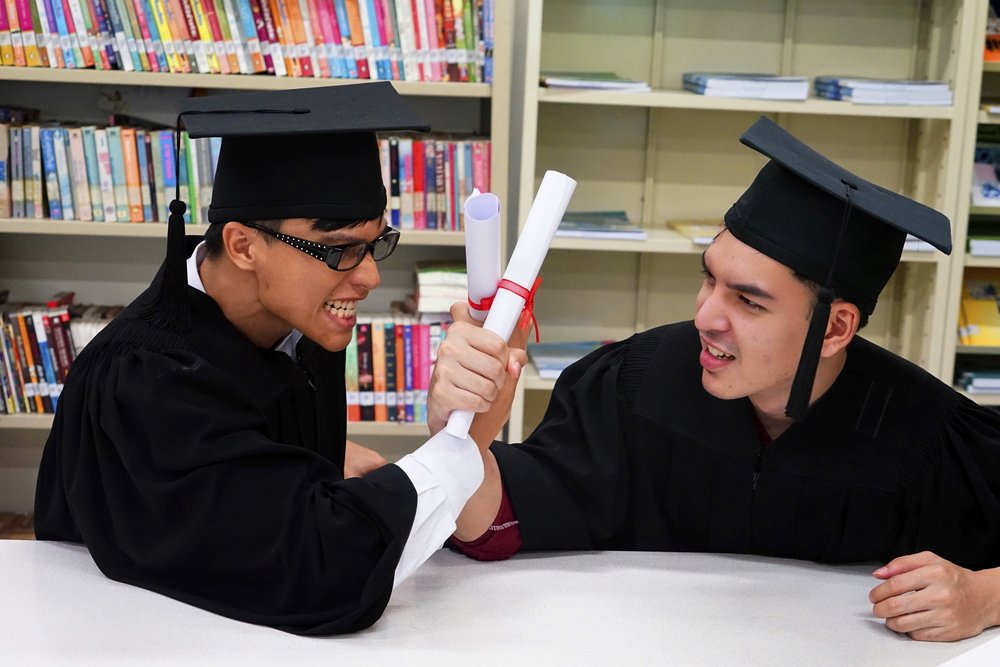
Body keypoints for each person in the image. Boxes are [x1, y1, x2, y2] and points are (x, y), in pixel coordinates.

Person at [436, 116, 1000, 642]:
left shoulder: (929, 437)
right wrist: (462, 437)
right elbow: (500, 525)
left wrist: (984, 597)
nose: (705, 317)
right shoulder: (635, 384)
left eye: (748, 302)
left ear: (835, 328)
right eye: (709, 279)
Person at [33, 84, 517, 635]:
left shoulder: (297, 323)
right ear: (242, 246)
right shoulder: (148, 381)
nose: (369, 277)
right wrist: (461, 442)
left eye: (376, 243)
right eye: (339, 250)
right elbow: (320, 568)